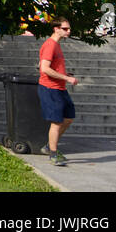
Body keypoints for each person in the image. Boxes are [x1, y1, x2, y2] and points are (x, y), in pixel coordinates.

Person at [38, 17, 78, 167]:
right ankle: (53, 154)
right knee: (57, 121)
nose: (69, 31)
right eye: (65, 29)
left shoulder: (56, 45)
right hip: (50, 88)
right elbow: (45, 69)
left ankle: (49, 146)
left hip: (60, 88)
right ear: (56, 29)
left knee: (68, 118)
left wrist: (65, 77)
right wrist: (66, 78)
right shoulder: (50, 45)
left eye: (69, 28)